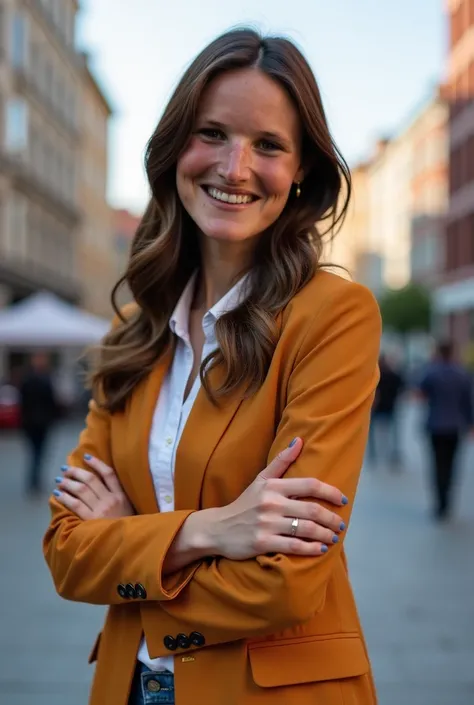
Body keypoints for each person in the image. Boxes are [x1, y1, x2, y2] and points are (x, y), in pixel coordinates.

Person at [43, 29, 381, 705]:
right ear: (177, 148)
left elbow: (285, 577)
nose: (234, 168)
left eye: (268, 145)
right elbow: (66, 549)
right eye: (213, 133)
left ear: (303, 168)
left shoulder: (333, 315)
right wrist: (210, 528)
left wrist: (129, 552)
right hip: (130, 686)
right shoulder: (133, 332)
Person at [418, 341, 473, 520]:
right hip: (455, 426)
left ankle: (439, 503)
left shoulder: (431, 372)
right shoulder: (462, 374)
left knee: (437, 465)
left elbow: (421, 394)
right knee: (452, 465)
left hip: (435, 425)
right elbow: (468, 402)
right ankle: (448, 501)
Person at [19, 351, 58, 495]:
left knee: (37, 452)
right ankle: (35, 481)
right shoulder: (42, 379)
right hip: (38, 422)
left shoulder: (29, 378)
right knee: (37, 452)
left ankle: (34, 481)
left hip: (35, 422)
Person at [367, 353, 404, 469]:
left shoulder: (375, 377)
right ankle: (393, 454)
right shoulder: (393, 375)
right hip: (390, 407)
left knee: (372, 432)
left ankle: (373, 454)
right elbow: (401, 387)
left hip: (377, 407)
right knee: (393, 433)